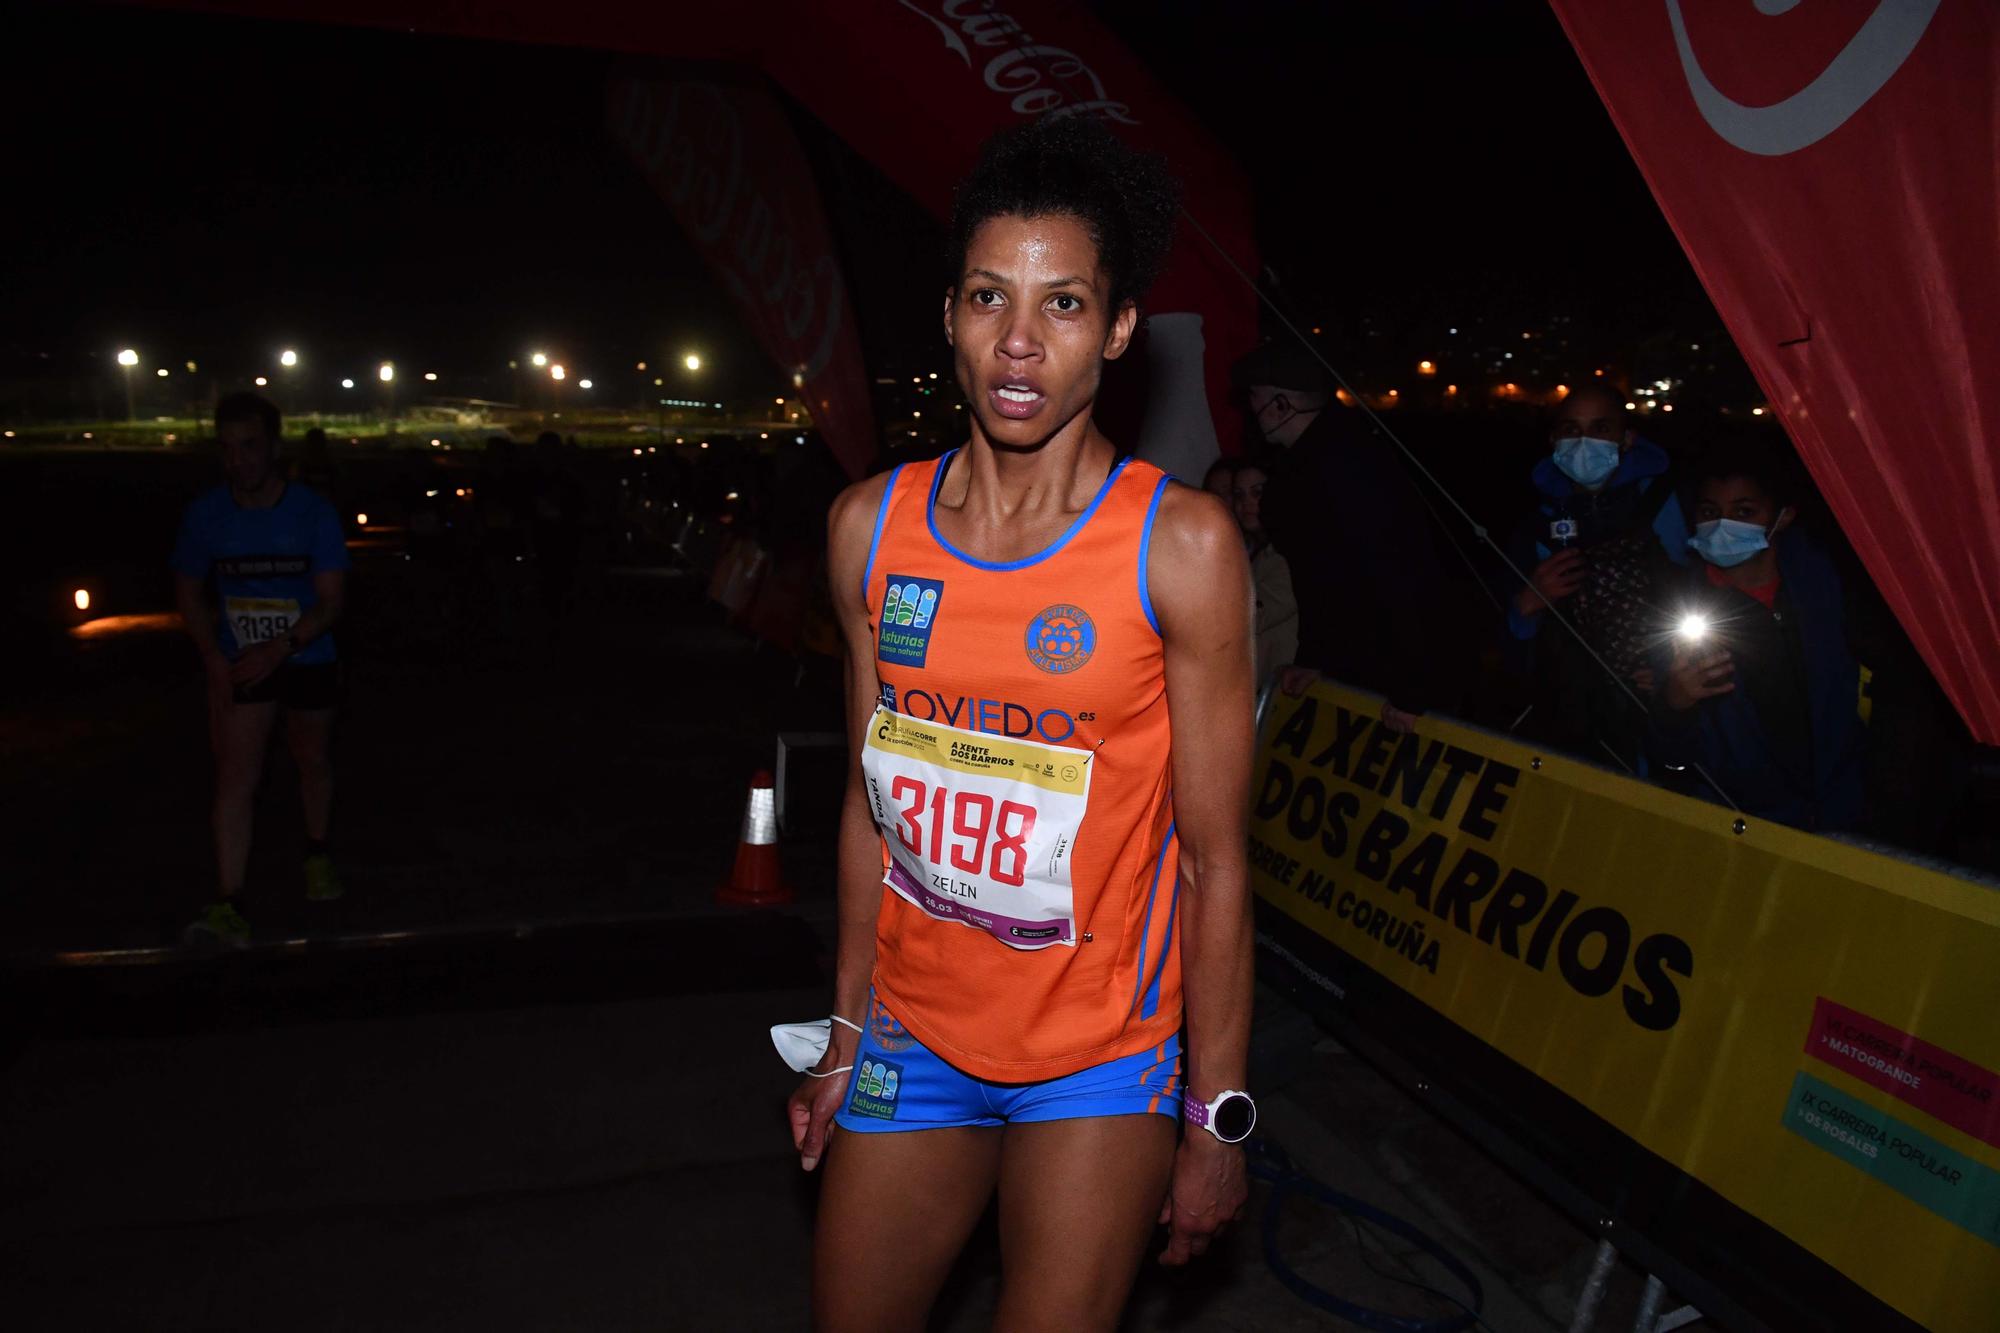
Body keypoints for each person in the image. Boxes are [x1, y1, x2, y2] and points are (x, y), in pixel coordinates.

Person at [788, 116, 1256, 1333]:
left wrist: (1216, 1117)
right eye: (991, 297)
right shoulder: (865, 530)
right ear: (947, 312)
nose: (1017, 342)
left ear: (1113, 330)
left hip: (1102, 1058)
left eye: (1061, 307)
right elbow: (865, 810)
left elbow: (1212, 862)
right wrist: (842, 1031)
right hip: (916, 1035)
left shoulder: (1183, 547)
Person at [171, 392, 350, 946]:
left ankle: (316, 850)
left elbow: (331, 602)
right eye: (227, 449)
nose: (238, 461)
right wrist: (212, 659)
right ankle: (231, 902)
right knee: (234, 779)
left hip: (307, 654)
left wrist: (282, 646)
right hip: (241, 660)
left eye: (249, 447)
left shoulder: (313, 514)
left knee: (311, 758)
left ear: (273, 448)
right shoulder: (206, 515)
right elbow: (188, 591)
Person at [1232, 338, 1471, 733]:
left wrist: (1414, 694)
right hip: (1368, 673)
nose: (1249, 412)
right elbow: (1323, 581)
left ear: (1281, 406)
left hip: (1394, 686)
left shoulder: (1347, 464)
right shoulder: (1315, 463)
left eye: (1254, 399)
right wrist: (1315, 658)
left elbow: (1397, 574)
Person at [1649, 443, 1866, 831]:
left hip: (1847, 813)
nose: (1722, 525)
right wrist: (1675, 704)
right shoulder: (1676, 612)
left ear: (1783, 517)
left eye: (1744, 512)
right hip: (1746, 828)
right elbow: (1670, 762)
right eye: (1710, 512)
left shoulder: (1828, 586)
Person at [1502, 385, 1687, 768]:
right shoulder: (1535, 517)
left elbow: (1702, 596)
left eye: (1600, 428)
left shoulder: (1669, 501)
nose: (1583, 442)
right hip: (1573, 712)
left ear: (1627, 437)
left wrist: (1670, 669)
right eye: (1571, 429)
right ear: (1553, 440)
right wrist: (1527, 604)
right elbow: (1509, 633)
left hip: (1661, 703)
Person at [1230, 456, 1297, 688]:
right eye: (1239, 495)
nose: (1246, 503)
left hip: (1282, 702)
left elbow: (1250, 617)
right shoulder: (1252, 552)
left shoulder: (1290, 554)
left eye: (1257, 493)